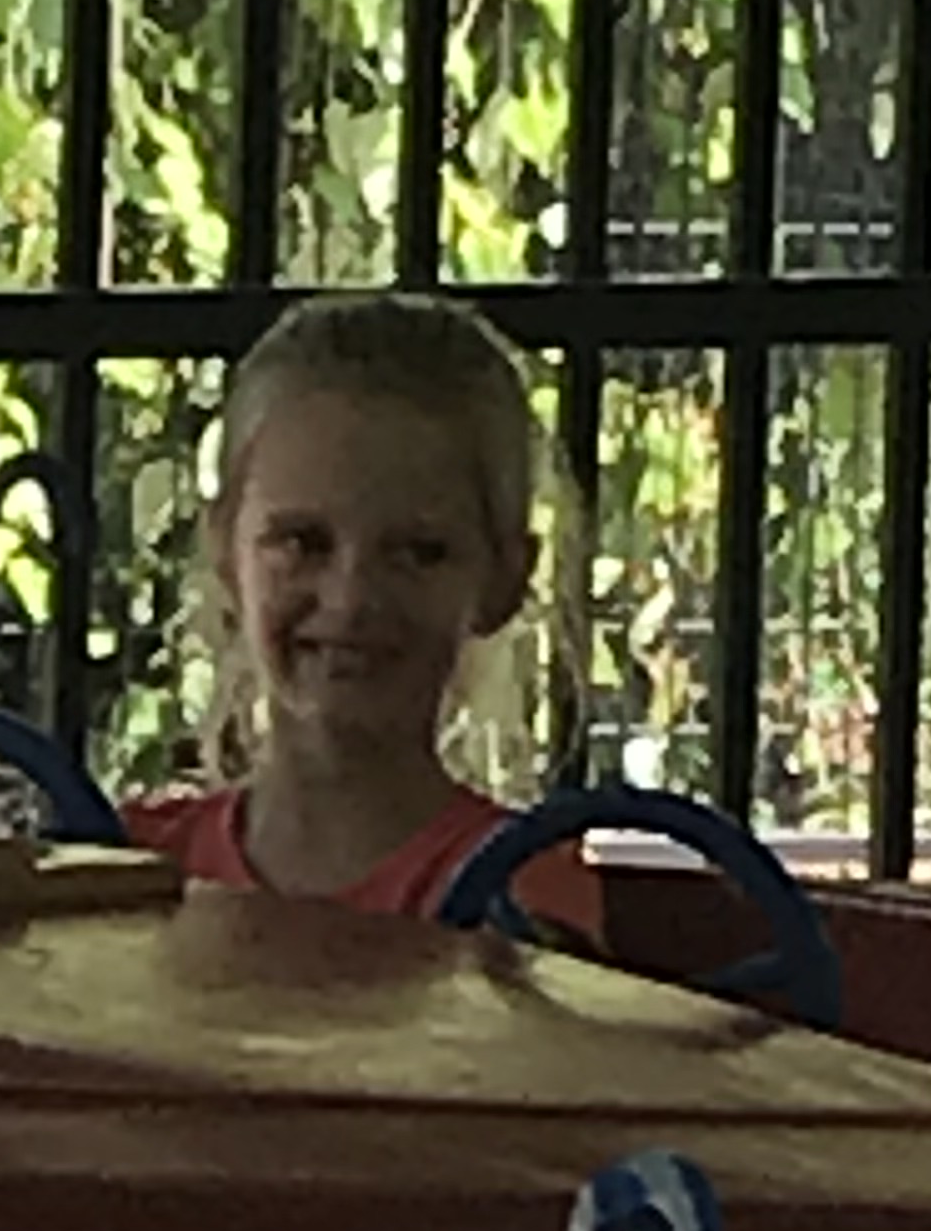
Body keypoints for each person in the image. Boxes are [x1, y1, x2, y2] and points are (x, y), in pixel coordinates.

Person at [121, 291, 594, 930]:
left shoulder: (519, 893)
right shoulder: (126, 869)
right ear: (225, 551)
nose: (350, 599)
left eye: (418, 553)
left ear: (504, 580)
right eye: (301, 542)